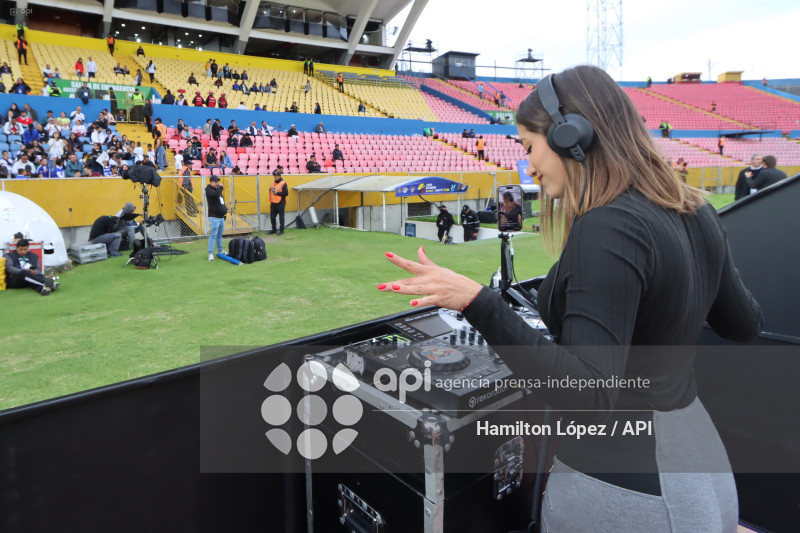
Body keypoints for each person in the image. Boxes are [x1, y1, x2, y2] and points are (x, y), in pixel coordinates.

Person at [377, 65, 763, 533]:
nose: (529, 166)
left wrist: (477, 301)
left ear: (568, 134)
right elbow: (744, 324)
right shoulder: (696, 208)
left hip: (629, 492)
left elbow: (589, 397)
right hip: (701, 467)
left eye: (528, 147)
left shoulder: (608, 226)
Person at [205, 175, 227, 261]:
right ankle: (210, 253)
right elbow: (215, 194)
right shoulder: (209, 190)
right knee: (213, 235)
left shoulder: (217, 190)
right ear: (211, 182)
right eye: (215, 182)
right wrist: (220, 187)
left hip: (221, 217)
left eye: (218, 181)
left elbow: (220, 199)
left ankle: (220, 250)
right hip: (214, 217)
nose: (217, 183)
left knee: (219, 235)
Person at [268, 166, 288, 235]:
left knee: (281, 217)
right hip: (273, 202)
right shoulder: (272, 183)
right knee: (272, 216)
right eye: (274, 176)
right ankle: (274, 229)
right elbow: (270, 190)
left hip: (280, 202)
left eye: (276, 176)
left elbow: (286, 193)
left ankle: (281, 231)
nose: (275, 177)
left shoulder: (283, 183)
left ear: (279, 176)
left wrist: (277, 193)